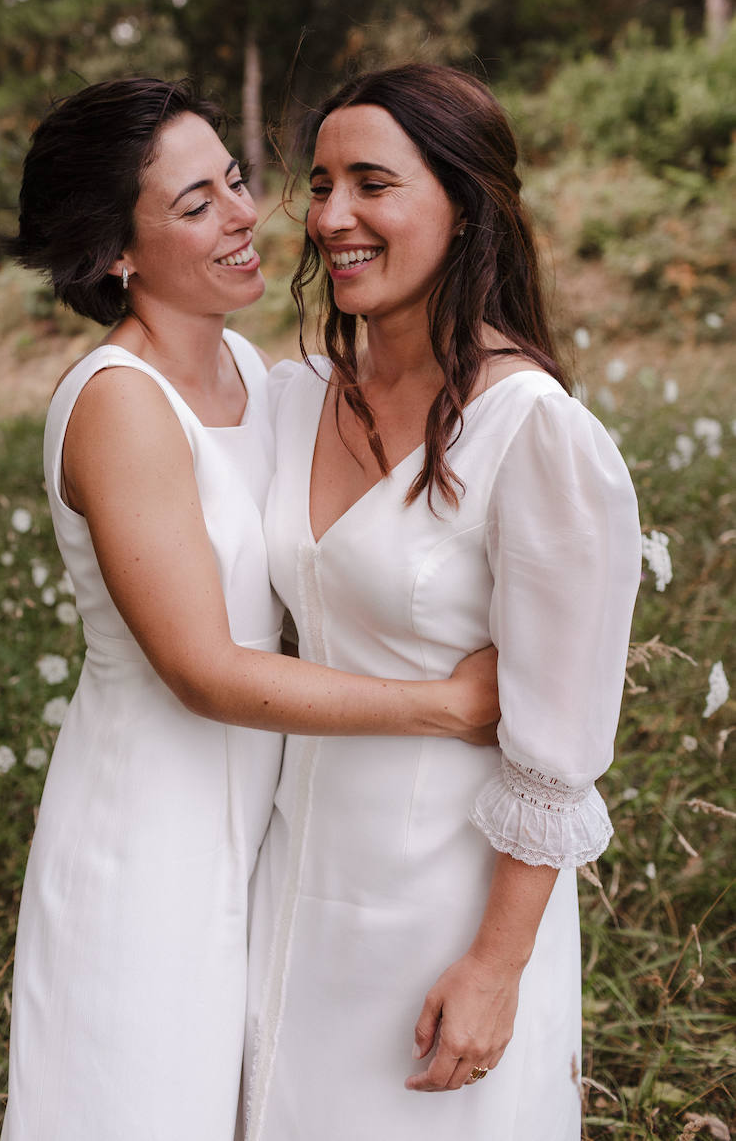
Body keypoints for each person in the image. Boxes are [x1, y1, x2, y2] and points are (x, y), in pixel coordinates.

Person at [0, 76, 498, 1141]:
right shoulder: (119, 402)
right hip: (148, 828)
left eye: (233, 178)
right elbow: (205, 669)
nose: (241, 212)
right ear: (114, 252)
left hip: (259, 820)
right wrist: (446, 706)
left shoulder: (237, 364)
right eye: (194, 203)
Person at [243, 63, 642, 1141]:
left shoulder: (534, 433)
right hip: (289, 878)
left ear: (465, 207)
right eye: (319, 184)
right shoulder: (294, 400)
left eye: (373, 183)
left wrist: (495, 965)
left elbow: (557, 748)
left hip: (443, 904)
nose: (331, 217)